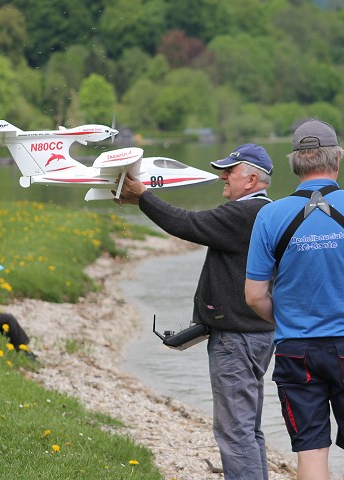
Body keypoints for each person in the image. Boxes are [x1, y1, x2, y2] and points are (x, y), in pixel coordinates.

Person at [244, 120, 344, 480]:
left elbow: (254, 295)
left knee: (311, 450)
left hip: (295, 351)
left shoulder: (269, 215)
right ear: (337, 160)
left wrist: (287, 320)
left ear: (295, 163)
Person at [113, 144, 276, 480]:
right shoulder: (269, 212)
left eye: (230, 170)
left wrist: (142, 195)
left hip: (236, 338)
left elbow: (187, 223)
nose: (223, 175)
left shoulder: (244, 215)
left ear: (253, 178)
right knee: (249, 428)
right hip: (258, 334)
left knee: (235, 431)